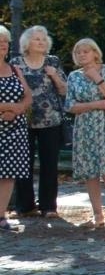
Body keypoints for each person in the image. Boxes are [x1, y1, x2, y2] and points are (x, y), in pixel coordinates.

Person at [66, 38, 105, 230]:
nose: (82, 54)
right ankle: (98, 215)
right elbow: (69, 105)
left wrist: (97, 78)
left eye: (86, 51)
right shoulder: (74, 76)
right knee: (90, 173)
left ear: (95, 52)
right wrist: (94, 104)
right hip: (84, 128)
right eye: (78, 52)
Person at [11, 25, 68, 219]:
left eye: (44, 39)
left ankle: (48, 206)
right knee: (22, 164)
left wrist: (53, 75)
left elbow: (64, 90)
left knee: (50, 164)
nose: (41, 42)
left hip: (50, 120)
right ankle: (25, 206)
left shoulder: (53, 62)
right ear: (27, 43)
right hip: (22, 121)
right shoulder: (16, 63)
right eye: (37, 39)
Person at [0, 27, 33, 232]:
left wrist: (19, 108)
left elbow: (28, 95)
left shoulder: (14, 69)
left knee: (8, 174)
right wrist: (5, 107)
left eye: (5, 41)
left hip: (15, 128)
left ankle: (0, 215)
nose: (3, 45)